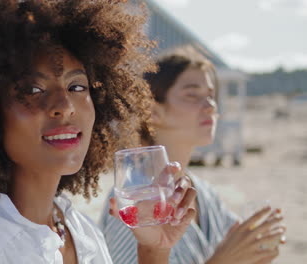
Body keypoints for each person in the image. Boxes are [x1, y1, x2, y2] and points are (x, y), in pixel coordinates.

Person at [0, 1, 197, 263]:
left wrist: (153, 250)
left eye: (77, 87)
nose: (65, 107)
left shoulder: (81, 231)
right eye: (32, 90)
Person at [100, 52, 287, 264]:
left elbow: (241, 251)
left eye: (211, 96)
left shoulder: (203, 194)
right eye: (192, 95)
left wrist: (256, 250)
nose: (210, 105)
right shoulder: (131, 203)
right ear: (153, 111)